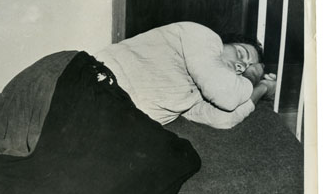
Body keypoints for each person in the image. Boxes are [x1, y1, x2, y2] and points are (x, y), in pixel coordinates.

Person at [93, 21, 277, 129]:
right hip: (95, 81)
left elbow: (224, 119)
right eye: (240, 54)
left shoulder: (204, 91)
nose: (240, 66)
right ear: (224, 43)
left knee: (182, 159)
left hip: (117, 120)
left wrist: (263, 88)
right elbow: (228, 95)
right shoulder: (202, 36)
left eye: (244, 69)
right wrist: (252, 76)